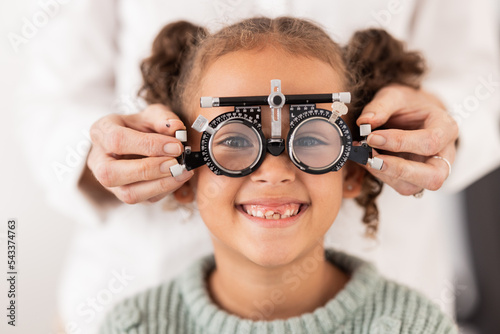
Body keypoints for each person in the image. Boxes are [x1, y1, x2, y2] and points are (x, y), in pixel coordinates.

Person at [17, 1, 499, 333]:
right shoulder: (133, 323)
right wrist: (108, 153)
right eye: (234, 140)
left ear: (353, 169)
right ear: (184, 175)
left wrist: (439, 120)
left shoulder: (411, 323)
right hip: (136, 268)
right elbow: (51, 96)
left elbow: (483, 73)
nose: (273, 170)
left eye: (311, 138)